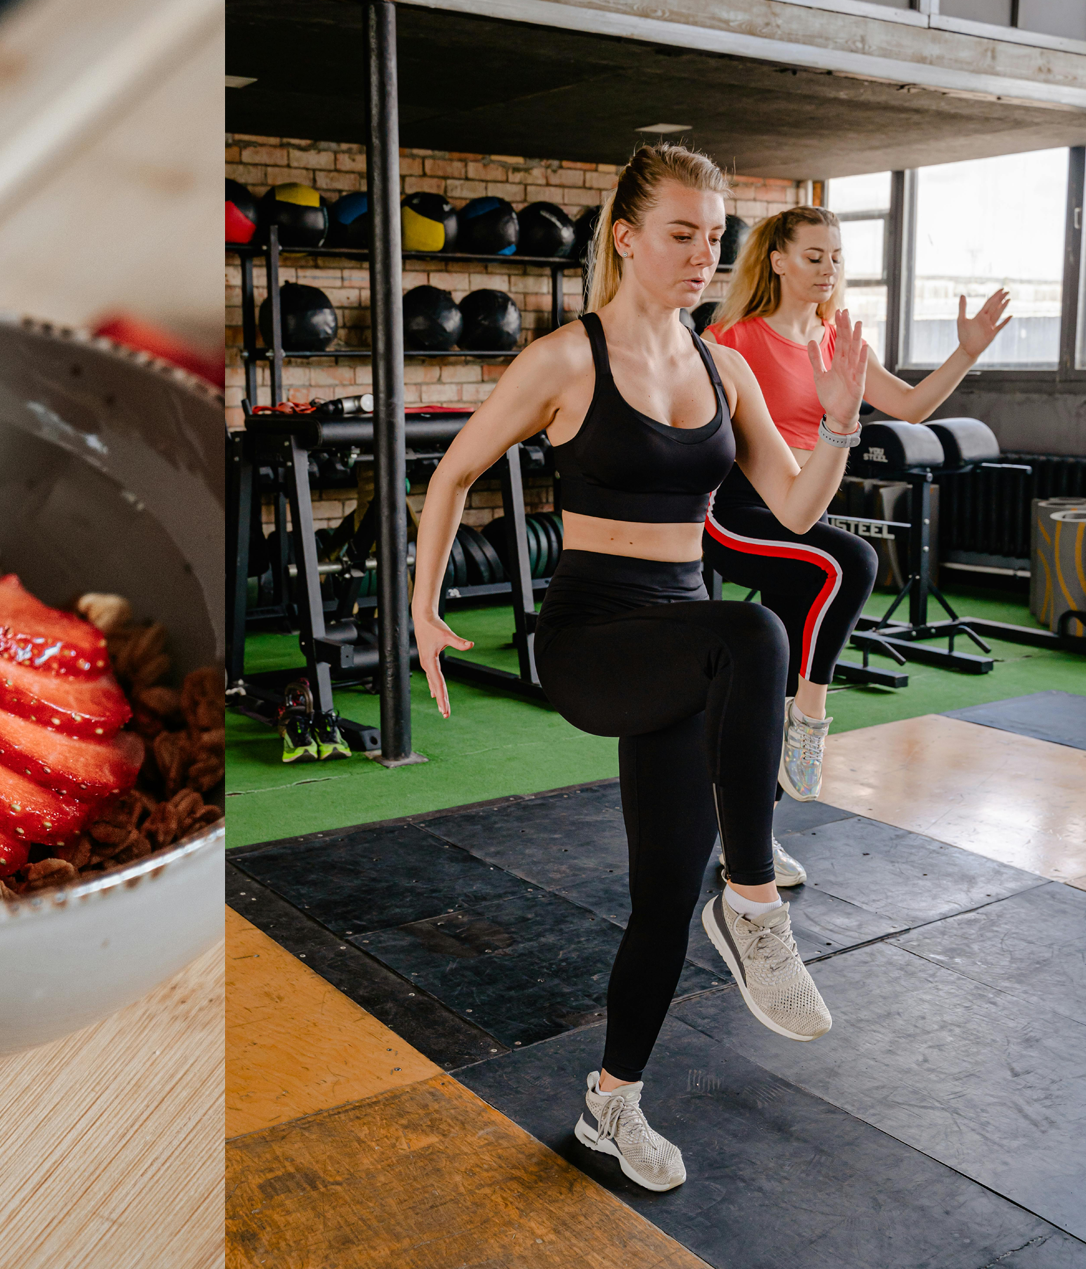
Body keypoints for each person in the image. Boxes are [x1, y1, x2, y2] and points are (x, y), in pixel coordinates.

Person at [409, 144, 870, 1193]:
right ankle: (753, 901)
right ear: (625, 235)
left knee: (663, 891)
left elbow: (796, 509)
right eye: (681, 232)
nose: (703, 253)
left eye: (714, 235)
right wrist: (424, 610)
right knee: (753, 633)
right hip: (594, 639)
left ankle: (612, 1099)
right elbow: (452, 473)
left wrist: (841, 415)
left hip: (686, 644)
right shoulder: (567, 359)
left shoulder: (727, 367)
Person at [702, 208, 1009, 887]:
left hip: (801, 521)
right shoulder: (733, 338)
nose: (828, 269)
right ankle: (810, 720)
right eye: (813, 256)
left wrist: (967, 352)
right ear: (777, 261)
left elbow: (912, 405)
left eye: (836, 257)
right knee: (856, 560)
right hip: (737, 514)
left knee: (767, 681)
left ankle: (747, 844)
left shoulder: (839, 341)